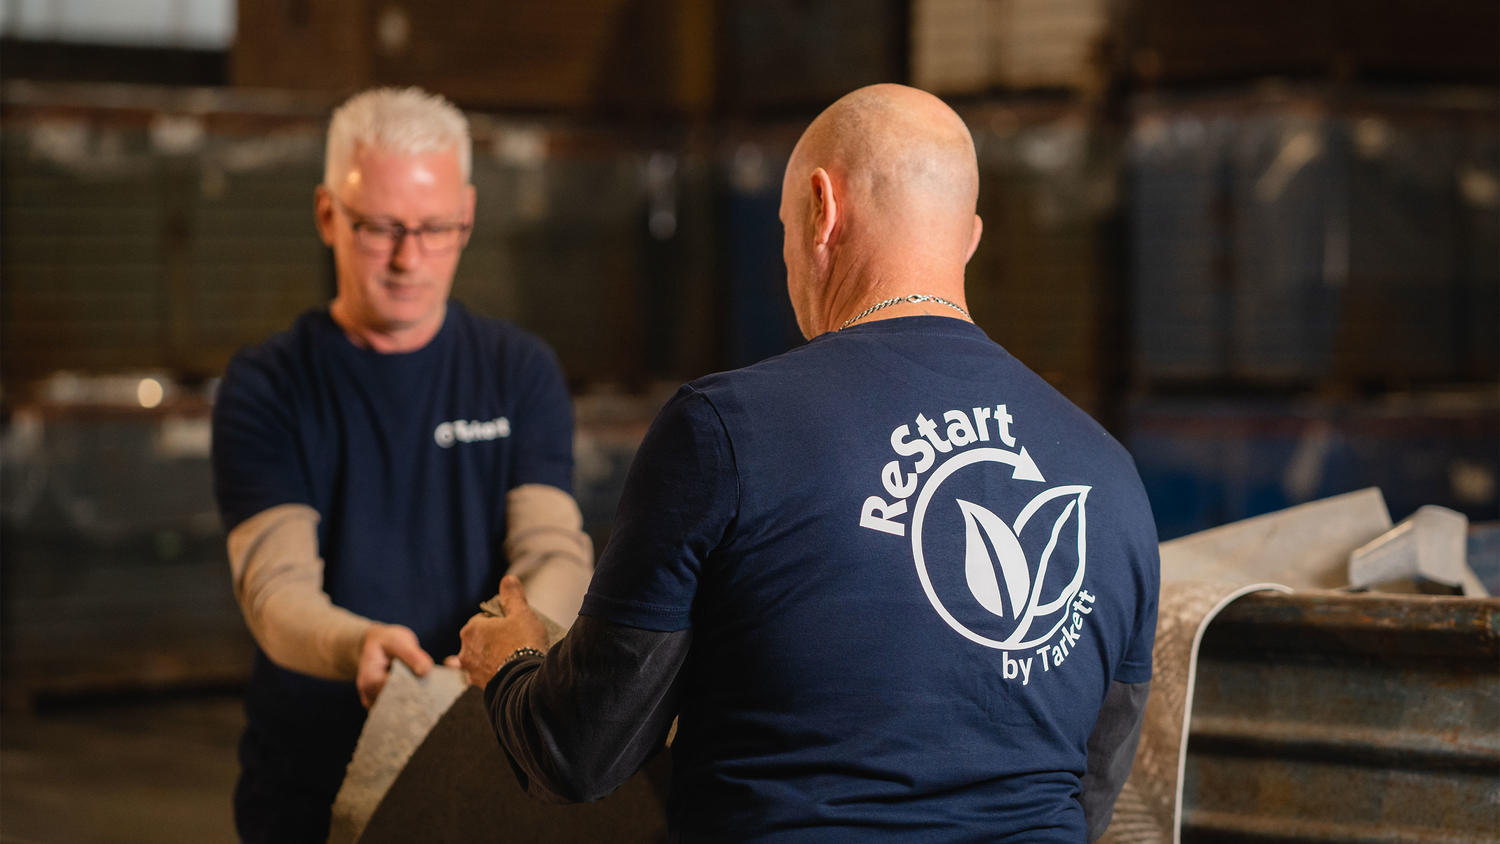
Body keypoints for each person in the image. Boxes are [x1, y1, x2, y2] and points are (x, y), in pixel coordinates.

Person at [457, 83, 1158, 842]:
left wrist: (515, 660)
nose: (789, 258)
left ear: (822, 210)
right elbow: (1093, 783)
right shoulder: (1109, 475)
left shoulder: (725, 433)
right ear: (970, 237)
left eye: (786, 228)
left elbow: (581, 749)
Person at [211, 86, 593, 843]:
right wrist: (358, 646)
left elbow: (554, 549)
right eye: (380, 227)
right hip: (311, 786)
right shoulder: (269, 385)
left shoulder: (519, 371)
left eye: (434, 228)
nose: (408, 257)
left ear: (469, 217)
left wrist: (512, 644)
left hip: (482, 767)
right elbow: (275, 589)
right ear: (328, 214)